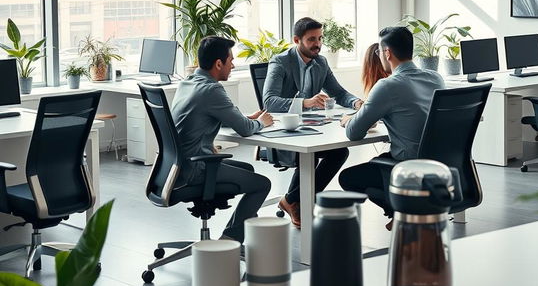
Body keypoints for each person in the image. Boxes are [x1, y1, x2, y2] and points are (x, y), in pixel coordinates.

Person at [171, 36, 274, 243]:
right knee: (262, 184)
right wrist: (262, 122)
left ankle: (241, 230)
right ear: (218, 64)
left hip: (175, 167)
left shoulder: (188, 82)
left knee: (247, 169)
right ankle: (230, 240)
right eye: (231, 61)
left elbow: (213, 115)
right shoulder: (212, 90)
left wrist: (245, 118)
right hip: (195, 169)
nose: (233, 65)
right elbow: (245, 130)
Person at [262, 17, 364, 228]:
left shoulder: (321, 62)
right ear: (296, 40)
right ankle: (296, 202)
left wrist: (356, 103)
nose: (318, 44)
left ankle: (292, 200)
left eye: (320, 38)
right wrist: (305, 102)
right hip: (285, 130)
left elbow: (338, 92)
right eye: (311, 39)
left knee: (339, 151)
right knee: (314, 154)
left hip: (310, 127)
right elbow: (269, 102)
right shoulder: (280, 62)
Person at [339, 26, 445, 227]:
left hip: (408, 168)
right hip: (440, 165)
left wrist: (348, 120)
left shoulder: (388, 85)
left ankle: (404, 211)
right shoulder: (435, 78)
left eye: (379, 51)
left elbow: (354, 133)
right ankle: (405, 212)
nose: (378, 56)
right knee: (378, 161)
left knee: (349, 178)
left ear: (387, 53)